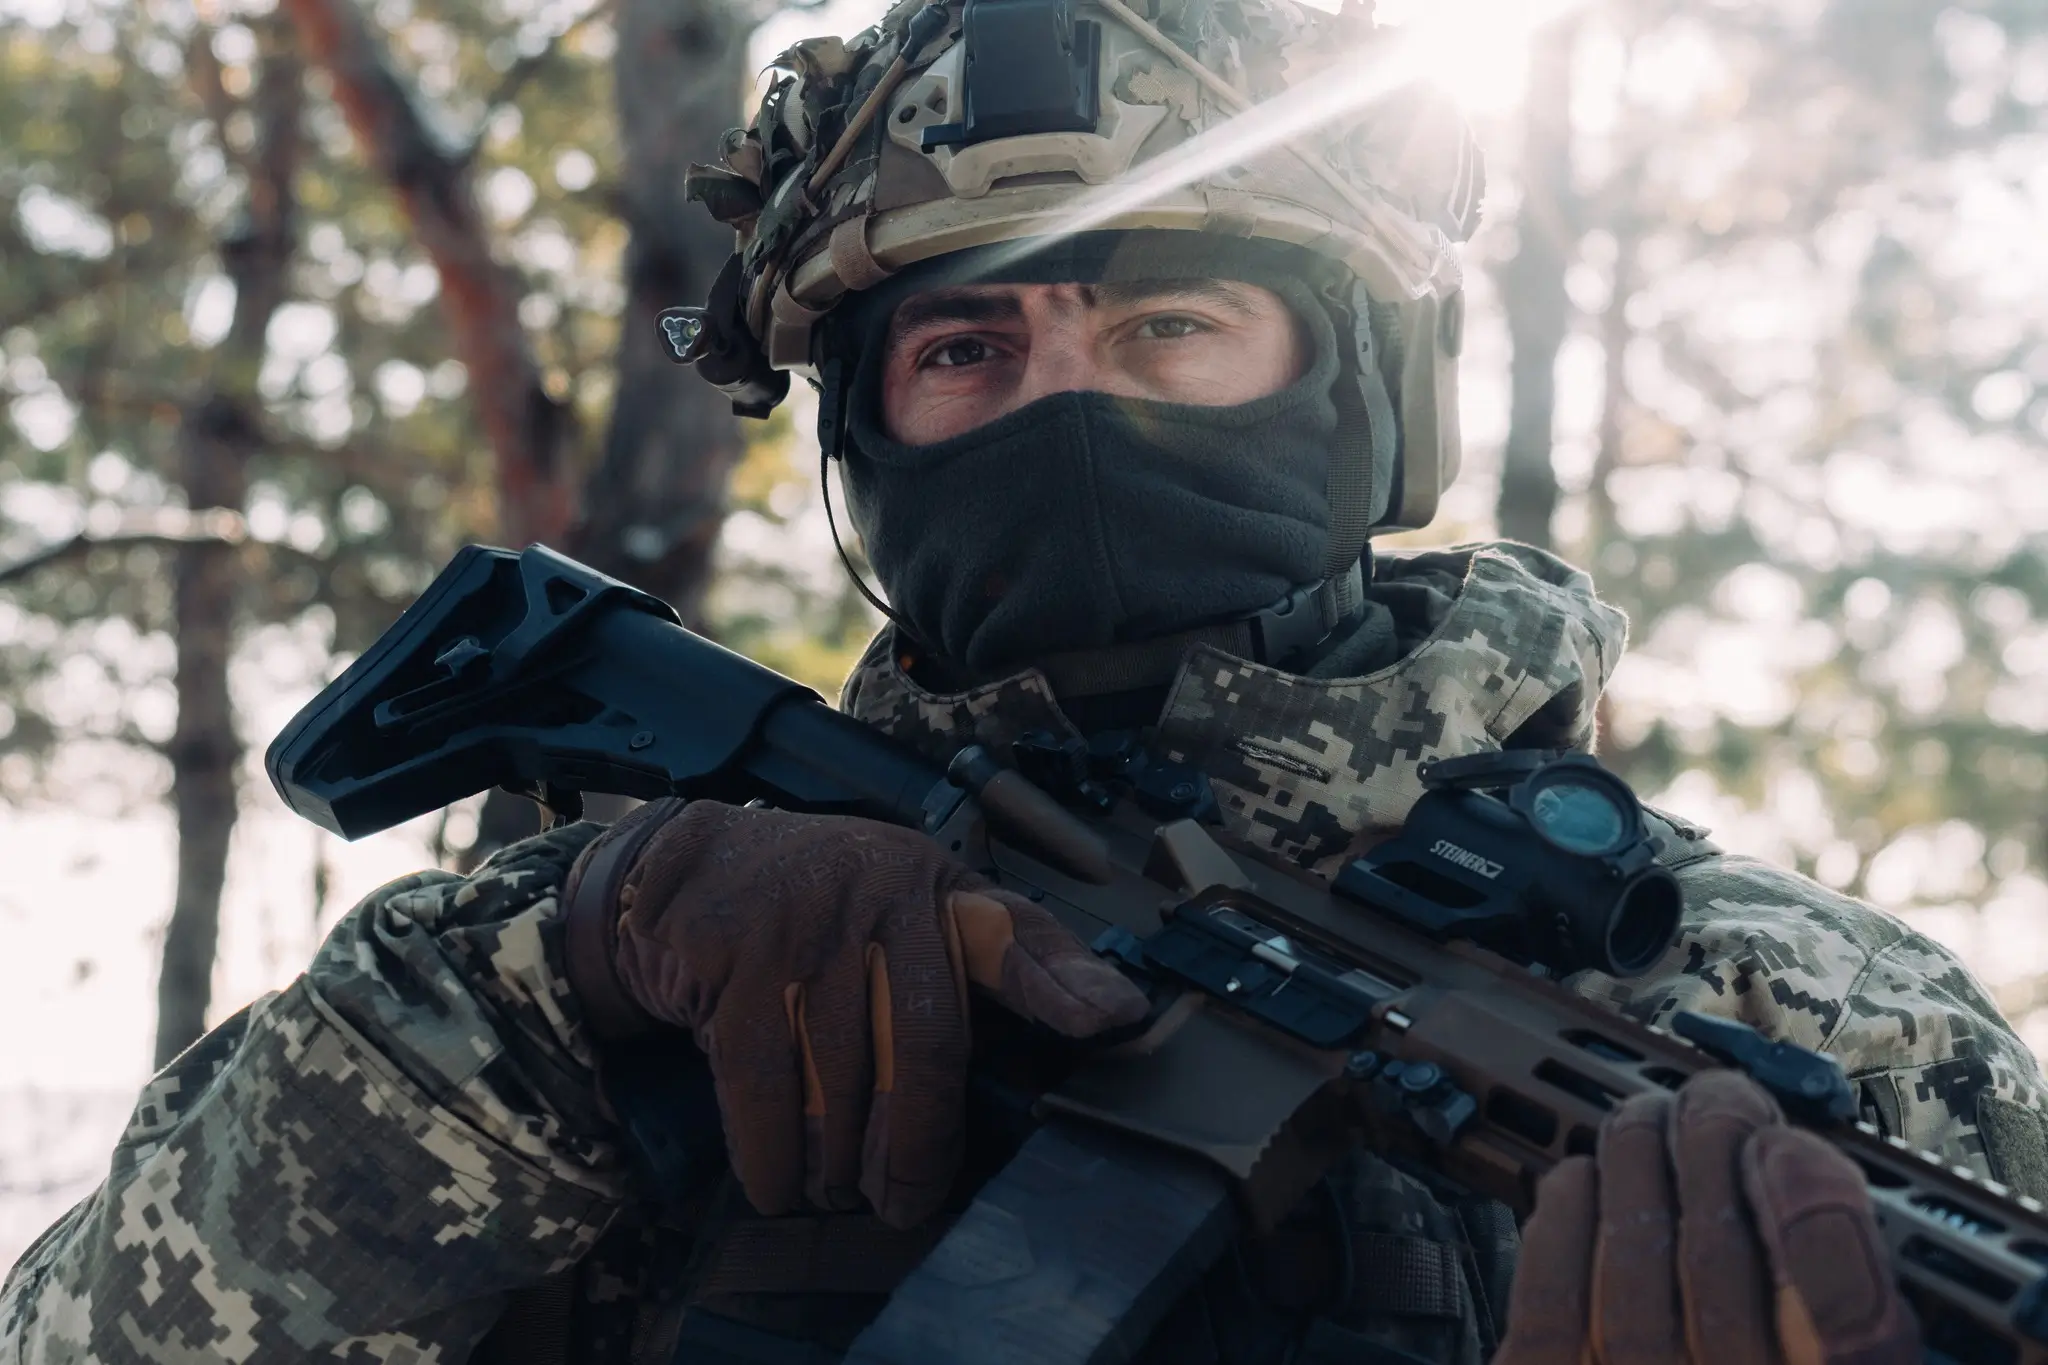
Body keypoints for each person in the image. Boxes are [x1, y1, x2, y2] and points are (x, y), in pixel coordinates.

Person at [4, 0, 2042, 1360]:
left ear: (1361, 405)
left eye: (1174, 331)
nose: (1069, 408)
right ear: (866, 459)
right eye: (972, 352)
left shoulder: (1801, 1011)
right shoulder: (602, 958)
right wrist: (553, 972)